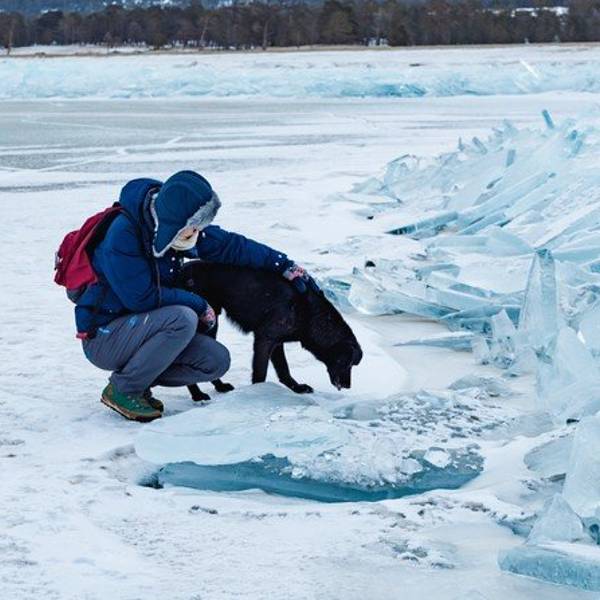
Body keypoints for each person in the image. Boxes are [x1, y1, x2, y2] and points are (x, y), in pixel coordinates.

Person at [76, 170, 312, 422]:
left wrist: (283, 265)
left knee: (215, 361)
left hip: (146, 332)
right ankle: (124, 389)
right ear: (172, 226)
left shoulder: (178, 229)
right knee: (183, 318)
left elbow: (230, 246)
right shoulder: (123, 235)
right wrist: (199, 305)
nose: (197, 234)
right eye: (193, 229)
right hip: (106, 337)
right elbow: (141, 298)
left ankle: (139, 378)